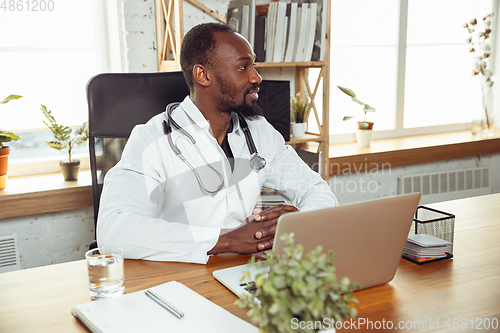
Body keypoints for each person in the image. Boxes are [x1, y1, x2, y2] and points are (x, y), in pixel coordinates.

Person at [97, 23, 338, 264]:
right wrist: (226, 240)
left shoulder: (258, 131)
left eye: (253, 65)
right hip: (177, 275)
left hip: (240, 270)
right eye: (243, 67)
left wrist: (292, 224)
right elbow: (114, 230)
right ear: (203, 75)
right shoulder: (152, 140)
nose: (256, 77)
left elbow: (317, 190)